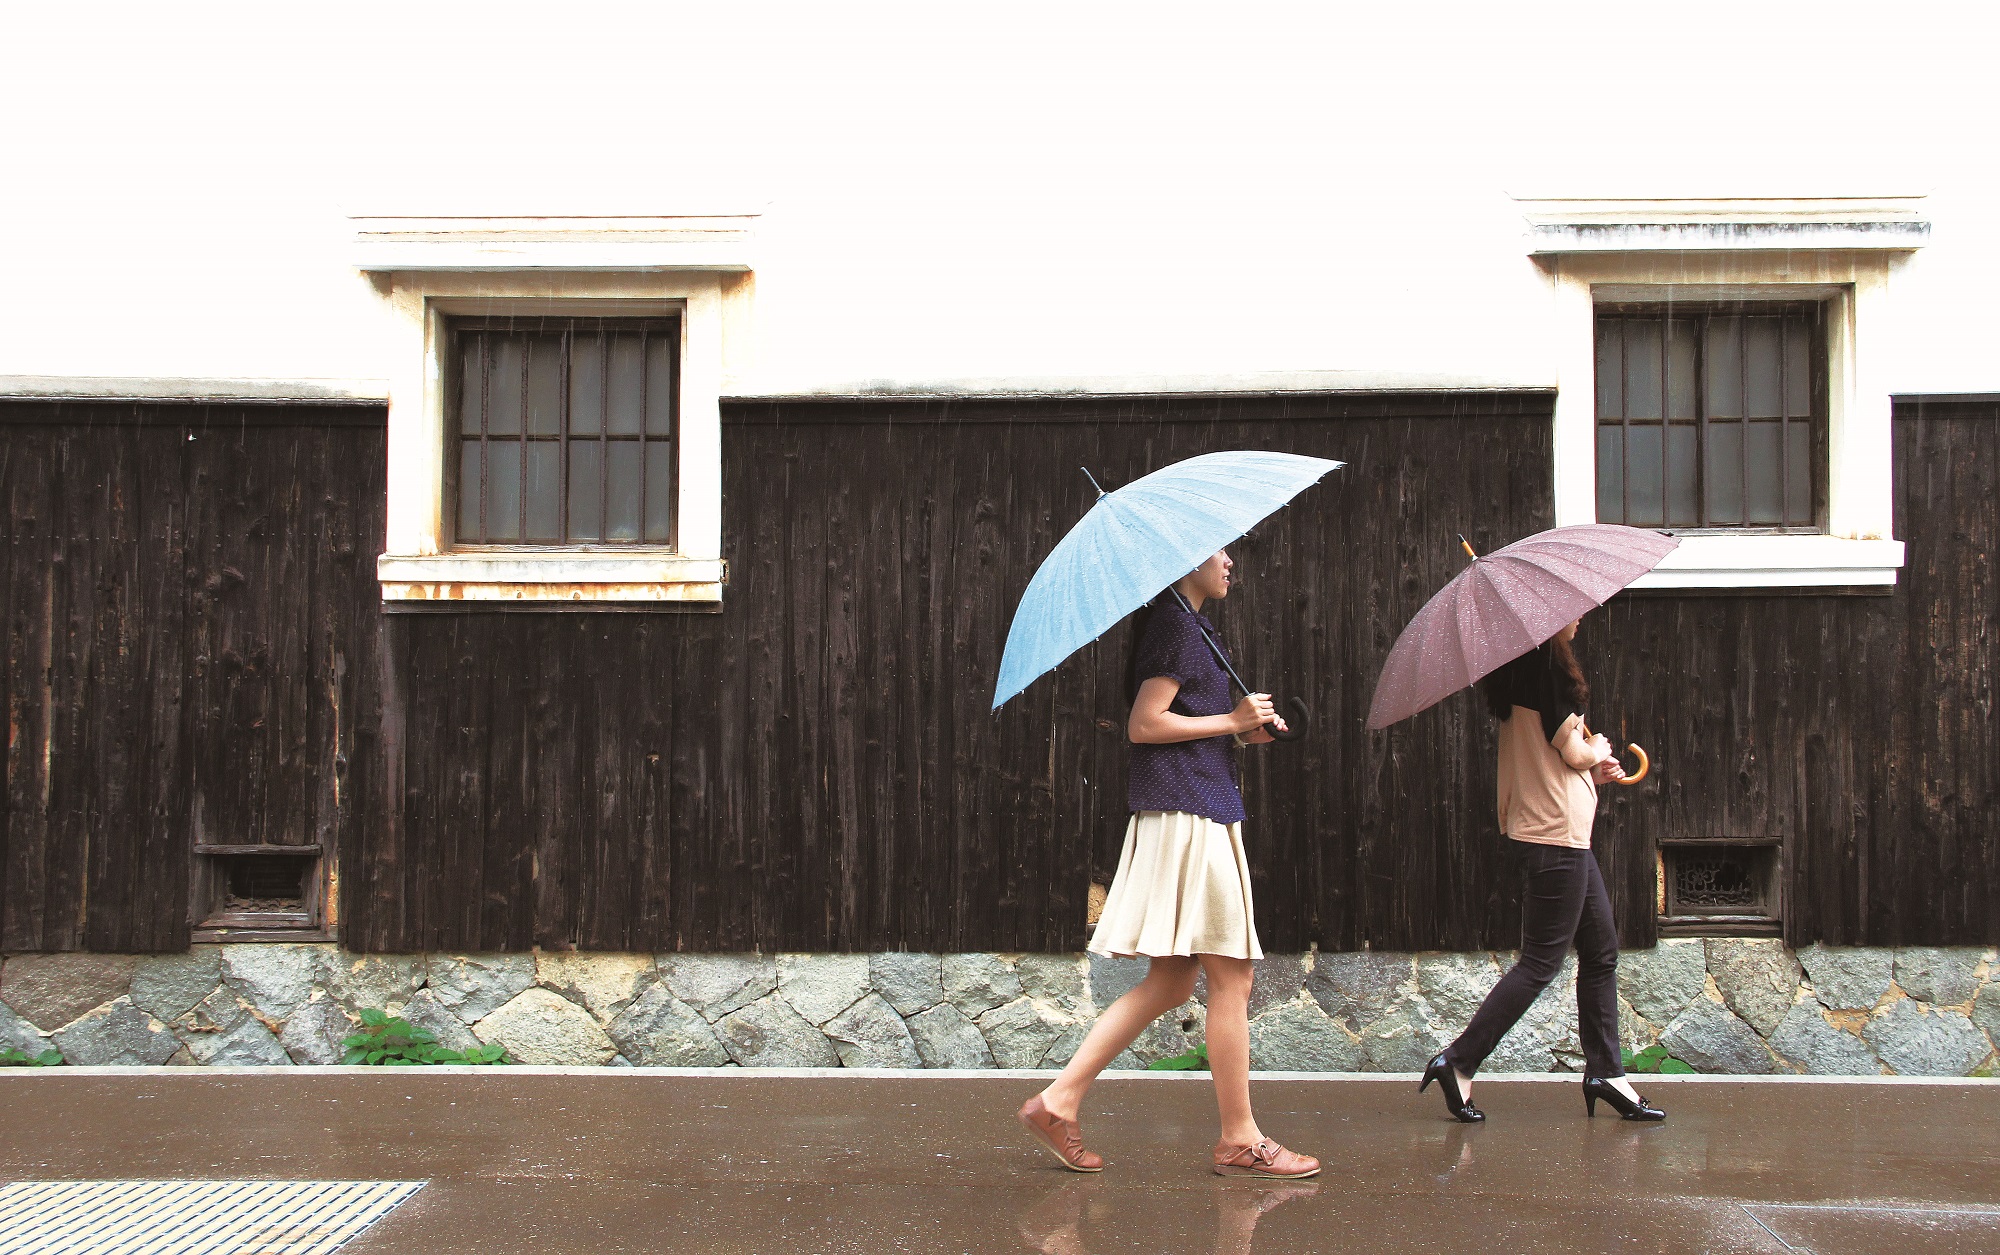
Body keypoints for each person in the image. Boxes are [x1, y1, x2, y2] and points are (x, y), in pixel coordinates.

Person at [1017, 550, 1321, 1177]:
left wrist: (1242, 732)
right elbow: (1144, 724)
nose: (1232, 560)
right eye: (1220, 549)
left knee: (1173, 981)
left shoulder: (1189, 625)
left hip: (1191, 809)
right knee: (1232, 979)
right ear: (1186, 558)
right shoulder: (1175, 627)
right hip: (1192, 818)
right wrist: (1231, 717)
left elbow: (1184, 724)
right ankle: (1240, 1139)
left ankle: (1058, 1101)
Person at [1419, 618, 1666, 1123]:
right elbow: (1572, 749)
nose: (1578, 617)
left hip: (1557, 831)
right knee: (1540, 963)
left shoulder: (1518, 672)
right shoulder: (1548, 670)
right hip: (1556, 834)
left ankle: (1606, 1073)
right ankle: (1460, 1060)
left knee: (1600, 952)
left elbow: (1552, 756)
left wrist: (1592, 769)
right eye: (1571, 611)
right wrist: (1595, 752)